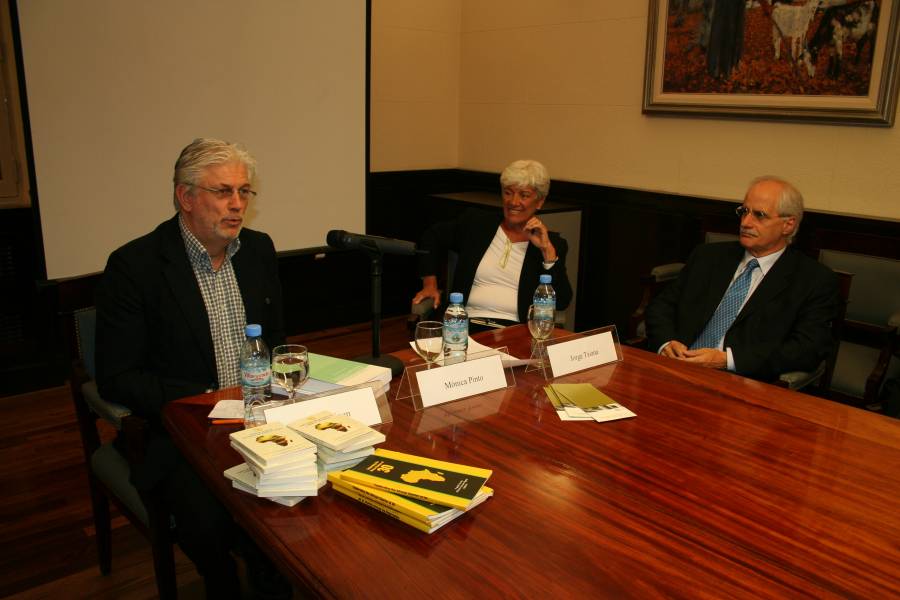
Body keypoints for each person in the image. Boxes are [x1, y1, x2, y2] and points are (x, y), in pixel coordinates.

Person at [96, 138, 290, 599]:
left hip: (261, 417)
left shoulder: (258, 250)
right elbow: (117, 376)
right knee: (213, 524)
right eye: (223, 192)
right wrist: (209, 397)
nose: (238, 205)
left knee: (299, 500)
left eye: (245, 192)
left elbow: (278, 342)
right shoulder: (134, 266)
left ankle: (275, 577)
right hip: (180, 430)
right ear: (186, 198)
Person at [646, 176, 840, 381]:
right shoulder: (708, 257)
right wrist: (666, 343)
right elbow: (662, 306)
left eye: (760, 215)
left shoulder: (814, 280)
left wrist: (727, 360)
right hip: (675, 368)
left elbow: (806, 350)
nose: (746, 222)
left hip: (742, 381)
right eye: (744, 211)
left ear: (788, 225)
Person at [412, 159, 573, 330]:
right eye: (508, 192)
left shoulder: (552, 244)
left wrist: (547, 252)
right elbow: (432, 236)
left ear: (540, 201)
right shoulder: (477, 224)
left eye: (524, 195)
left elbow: (561, 302)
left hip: (516, 331)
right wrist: (429, 284)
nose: (513, 202)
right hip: (463, 327)